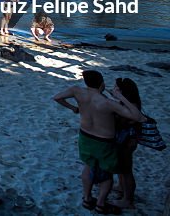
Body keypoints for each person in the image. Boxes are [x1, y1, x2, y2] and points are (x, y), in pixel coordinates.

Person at [54, 70, 144, 214]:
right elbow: (138, 117)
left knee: (88, 167)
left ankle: (87, 198)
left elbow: (57, 97)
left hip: (85, 137)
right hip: (103, 141)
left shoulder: (77, 91)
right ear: (102, 83)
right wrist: (119, 96)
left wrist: (73, 108)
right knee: (106, 175)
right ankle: (101, 204)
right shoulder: (108, 103)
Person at [112, 78, 143, 210]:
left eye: (116, 88)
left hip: (126, 141)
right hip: (124, 140)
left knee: (126, 170)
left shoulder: (132, 106)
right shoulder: (128, 103)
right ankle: (121, 187)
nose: (114, 89)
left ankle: (128, 200)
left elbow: (127, 120)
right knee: (121, 167)